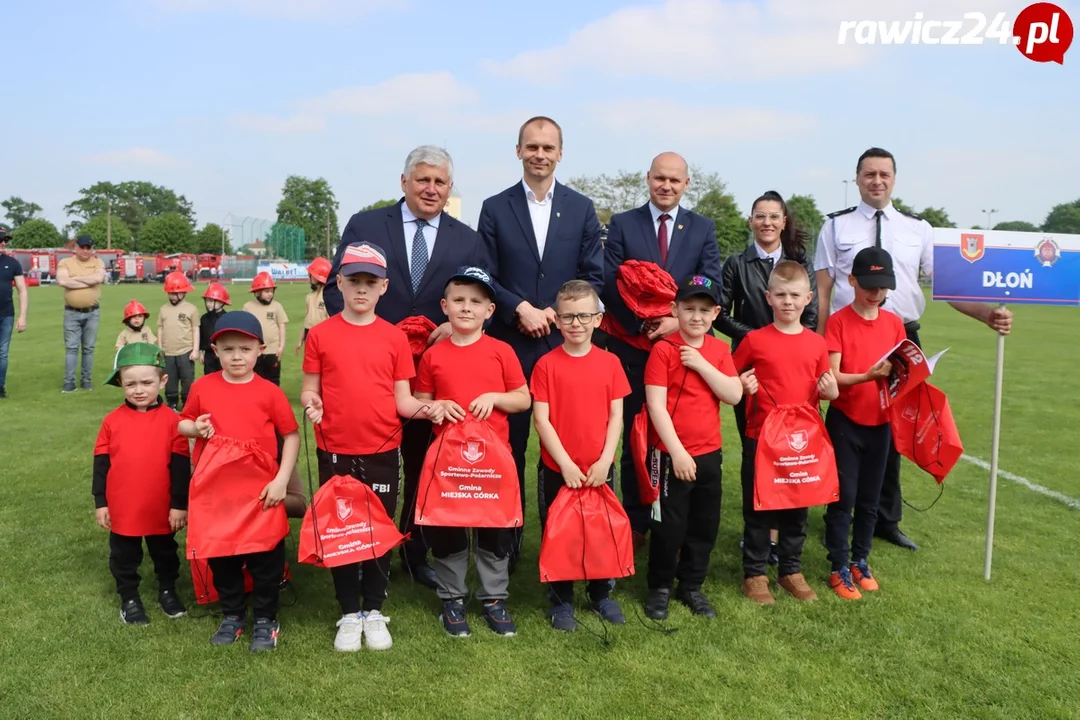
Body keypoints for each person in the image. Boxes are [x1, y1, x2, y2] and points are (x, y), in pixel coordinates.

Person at [814, 147, 1013, 552]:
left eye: (884, 174)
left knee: (893, 429)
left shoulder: (918, 229)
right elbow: (822, 291)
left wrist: (986, 314)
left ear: (894, 179)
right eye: (869, 174)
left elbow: (947, 287)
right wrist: (817, 349)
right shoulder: (835, 227)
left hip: (902, 338)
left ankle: (886, 519)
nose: (877, 180)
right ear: (856, 179)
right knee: (845, 430)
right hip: (847, 338)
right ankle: (839, 513)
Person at [323, 145, 485, 590]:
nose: (431, 189)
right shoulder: (367, 224)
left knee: (420, 463)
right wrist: (378, 336)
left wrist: (449, 330)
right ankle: (359, 546)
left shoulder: (467, 239)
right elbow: (338, 292)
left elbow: (473, 303)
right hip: (368, 373)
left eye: (440, 182)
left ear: (450, 188)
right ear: (404, 181)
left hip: (431, 375)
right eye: (423, 180)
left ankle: (415, 549)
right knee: (363, 464)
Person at [477, 116, 604, 566]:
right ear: (518, 151)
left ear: (560, 153)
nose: (540, 154)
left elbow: (593, 274)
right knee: (508, 450)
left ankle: (567, 543)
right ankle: (504, 550)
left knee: (567, 448)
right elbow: (485, 273)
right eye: (532, 147)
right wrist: (520, 308)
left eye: (548, 147)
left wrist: (554, 310)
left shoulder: (581, 208)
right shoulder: (494, 208)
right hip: (510, 346)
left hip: (563, 344)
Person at [301, 242, 437, 652]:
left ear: (384, 288)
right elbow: (309, 389)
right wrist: (313, 402)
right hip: (335, 449)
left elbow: (404, 402)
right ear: (338, 282)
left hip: (382, 449)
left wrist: (433, 408)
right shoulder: (320, 335)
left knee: (378, 530)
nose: (362, 289)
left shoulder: (394, 338)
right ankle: (348, 611)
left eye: (370, 283)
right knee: (343, 531)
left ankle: (374, 609)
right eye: (354, 281)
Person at [602, 152, 723, 542]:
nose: (666, 185)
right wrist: (643, 324)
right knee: (637, 434)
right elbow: (610, 282)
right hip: (634, 350)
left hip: (685, 353)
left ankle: (675, 519)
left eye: (674, 180)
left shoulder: (702, 228)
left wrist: (675, 321)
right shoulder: (623, 224)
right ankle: (637, 522)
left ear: (687, 184)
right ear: (647, 178)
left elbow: (713, 285)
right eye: (659, 178)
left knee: (682, 437)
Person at [414, 267, 531, 637]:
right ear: (444, 307)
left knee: (493, 530)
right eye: (460, 301)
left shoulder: (502, 351)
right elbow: (420, 401)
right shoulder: (433, 356)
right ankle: (452, 599)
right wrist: (437, 406)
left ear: (490, 310)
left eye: (476, 302)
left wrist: (495, 397)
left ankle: (494, 598)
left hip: (492, 460)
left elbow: (523, 398)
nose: (467, 308)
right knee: (448, 528)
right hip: (447, 461)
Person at [179, 311, 300, 652]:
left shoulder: (269, 392)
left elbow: (290, 436)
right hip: (217, 494)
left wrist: (281, 481)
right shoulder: (203, 387)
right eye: (228, 349)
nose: (236, 356)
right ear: (214, 351)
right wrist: (195, 428)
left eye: (244, 349)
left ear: (259, 349)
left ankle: (265, 618)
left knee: (265, 560)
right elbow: (182, 423)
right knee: (223, 558)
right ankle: (232, 614)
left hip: (261, 492)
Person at [716, 189, 819, 564]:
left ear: (783, 222)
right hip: (752, 370)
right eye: (760, 215)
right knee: (755, 451)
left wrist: (784, 344)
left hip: (792, 374)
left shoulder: (797, 264)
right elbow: (721, 312)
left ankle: (778, 539)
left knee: (792, 455)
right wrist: (759, 341)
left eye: (774, 216)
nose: (767, 222)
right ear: (751, 221)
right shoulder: (736, 263)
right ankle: (759, 537)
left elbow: (811, 318)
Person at [733, 261, 839, 604]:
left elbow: (825, 387)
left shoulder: (816, 344)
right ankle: (755, 573)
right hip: (761, 436)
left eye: (795, 295)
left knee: (798, 506)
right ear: (768, 297)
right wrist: (741, 385)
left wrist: (832, 391)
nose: (788, 302)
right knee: (759, 507)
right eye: (780, 295)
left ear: (808, 298)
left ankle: (791, 570)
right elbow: (731, 380)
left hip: (801, 441)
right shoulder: (753, 340)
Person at [531, 279, 631, 631]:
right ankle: (561, 599)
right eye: (568, 317)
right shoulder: (545, 365)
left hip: (599, 467)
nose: (576, 323)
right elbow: (541, 419)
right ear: (556, 320)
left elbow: (617, 415)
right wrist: (566, 464)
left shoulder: (611, 363)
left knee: (599, 531)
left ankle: (601, 593)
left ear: (598, 319)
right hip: (559, 469)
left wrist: (606, 460)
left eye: (583, 316)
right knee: (561, 532)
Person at [642, 275, 742, 620]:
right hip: (671, 454)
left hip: (709, 452)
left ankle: (692, 586)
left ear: (716, 313)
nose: (696, 317)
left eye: (704, 310)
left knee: (704, 524)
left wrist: (700, 363)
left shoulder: (718, 350)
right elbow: (655, 407)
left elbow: (733, 394)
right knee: (669, 525)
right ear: (675, 310)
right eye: (688, 309)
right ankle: (659, 587)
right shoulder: (663, 350)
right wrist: (678, 452)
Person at [823, 247, 907, 600]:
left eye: (882, 287)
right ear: (852, 281)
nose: (876, 294)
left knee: (871, 499)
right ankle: (838, 565)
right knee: (844, 498)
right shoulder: (839, 321)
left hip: (881, 422)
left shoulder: (893, 323)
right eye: (869, 286)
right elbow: (833, 375)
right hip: (847, 420)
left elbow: (900, 368)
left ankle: (861, 559)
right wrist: (868, 377)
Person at [93, 342, 190, 624]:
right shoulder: (111, 422)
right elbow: (101, 466)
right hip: (124, 507)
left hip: (161, 506)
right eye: (130, 384)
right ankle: (130, 598)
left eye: (147, 382)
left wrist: (179, 505)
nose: (139, 390)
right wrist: (101, 502)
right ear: (120, 384)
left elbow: (182, 467)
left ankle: (167, 590)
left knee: (165, 553)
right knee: (124, 556)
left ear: (163, 381)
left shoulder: (175, 421)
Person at [57, 235, 107, 393]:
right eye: (83, 247)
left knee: (88, 348)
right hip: (72, 312)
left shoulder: (98, 262)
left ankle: (86, 381)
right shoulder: (65, 262)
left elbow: (99, 278)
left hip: (92, 312)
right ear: (76, 248)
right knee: (71, 348)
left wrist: (76, 279)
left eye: (89, 248)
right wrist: (89, 280)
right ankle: (69, 382)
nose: (86, 251)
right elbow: (63, 281)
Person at [158, 271, 200, 410]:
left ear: (184, 293)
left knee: (187, 379)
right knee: (170, 380)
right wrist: (160, 348)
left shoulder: (191, 309)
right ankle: (172, 403)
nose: (172, 296)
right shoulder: (163, 309)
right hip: (168, 352)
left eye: (176, 293)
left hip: (185, 351)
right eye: (170, 293)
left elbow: (195, 329)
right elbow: (160, 329)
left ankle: (187, 402)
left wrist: (195, 350)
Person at [243, 272, 288, 386]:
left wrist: (281, 346)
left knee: (273, 379)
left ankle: (273, 402)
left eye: (272, 291)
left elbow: (281, 326)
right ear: (257, 292)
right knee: (256, 379)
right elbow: (245, 329)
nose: (270, 294)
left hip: (273, 350)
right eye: (266, 291)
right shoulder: (248, 307)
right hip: (255, 351)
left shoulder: (277, 306)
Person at [0, 228, 28, 399]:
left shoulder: (13, 263)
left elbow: (22, 290)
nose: (3, 243)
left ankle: (0, 386)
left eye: (5, 240)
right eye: (1, 240)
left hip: (6, 315)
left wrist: (22, 316)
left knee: (2, 353)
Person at [294, 256, 331, 357]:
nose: (308, 276)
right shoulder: (309, 297)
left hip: (323, 335)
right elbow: (307, 320)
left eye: (310, 274)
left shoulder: (329, 296)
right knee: (310, 366)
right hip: (309, 334)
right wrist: (300, 340)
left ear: (316, 276)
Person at [198, 282, 230, 375]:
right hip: (209, 354)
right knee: (209, 377)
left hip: (223, 353)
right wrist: (202, 352)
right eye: (207, 301)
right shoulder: (204, 318)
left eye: (211, 301)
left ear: (221, 302)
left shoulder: (226, 318)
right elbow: (202, 336)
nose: (208, 304)